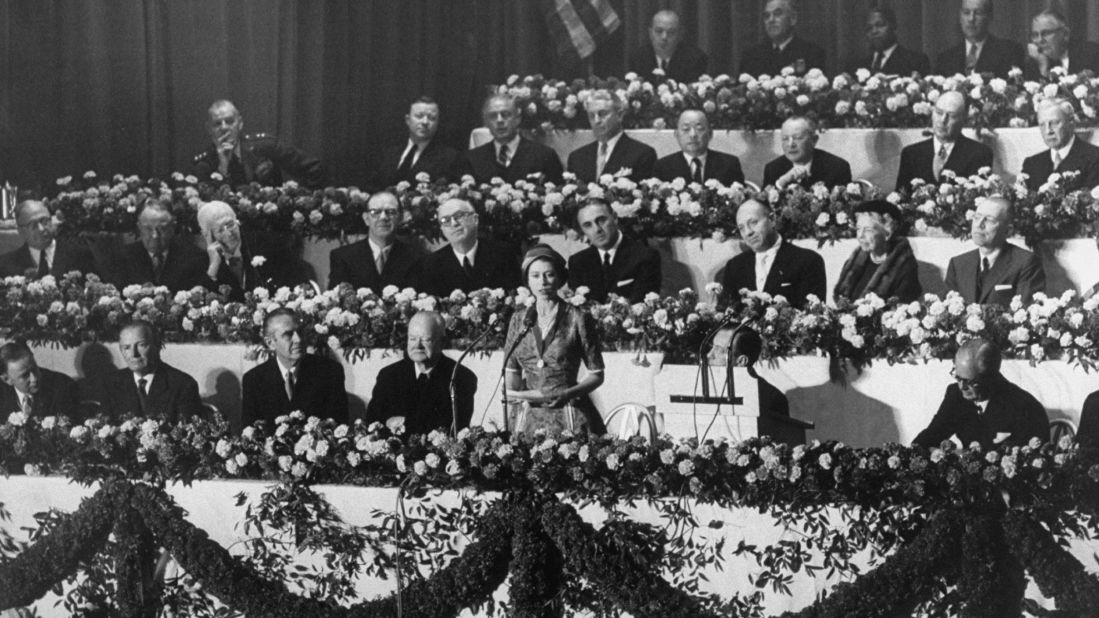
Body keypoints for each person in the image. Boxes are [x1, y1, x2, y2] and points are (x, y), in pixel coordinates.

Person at [504, 244, 605, 435]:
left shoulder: (578, 318)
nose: (542, 282)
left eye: (549, 274)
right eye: (535, 276)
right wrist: (514, 394)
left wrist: (568, 393)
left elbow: (597, 374)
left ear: (559, 278)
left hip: (570, 414)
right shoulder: (518, 319)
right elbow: (512, 370)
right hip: (527, 418)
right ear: (527, 281)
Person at [913, 338, 1049, 449]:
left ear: (991, 377)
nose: (962, 387)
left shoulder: (1024, 406)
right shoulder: (955, 395)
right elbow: (934, 433)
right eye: (958, 377)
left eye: (971, 382)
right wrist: (911, 452)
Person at [366, 311, 477, 435]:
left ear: (442, 342)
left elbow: (453, 427)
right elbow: (372, 420)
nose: (417, 345)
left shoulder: (461, 377)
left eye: (426, 340)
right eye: (412, 339)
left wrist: (404, 422)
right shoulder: (388, 375)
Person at [241, 308, 348, 429]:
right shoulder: (254, 380)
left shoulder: (330, 372)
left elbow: (339, 428)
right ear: (270, 343)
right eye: (288, 334)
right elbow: (250, 435)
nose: (298, 339)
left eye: (300, 332)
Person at [192, 99, 324, 188]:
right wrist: (223, 168)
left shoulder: (266, 147)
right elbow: (206, 209)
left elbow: (315, 168)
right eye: (217, 123)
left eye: (229, 121)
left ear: (240, 123)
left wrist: (300, 203)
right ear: (209, 129)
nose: (224, 127)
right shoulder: (203, 163)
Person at [720, 200, 825, 309]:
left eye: (753, 222)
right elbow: (724, 314)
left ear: (772, 219)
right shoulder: (734, 266)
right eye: (741, 228)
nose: (748, 232)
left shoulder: (808, 261)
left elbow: (814, 316)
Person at [197, 200, 306, 302]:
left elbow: (295, 276)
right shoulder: (204, 261)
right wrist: (213, 268)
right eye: (220, 230)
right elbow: (199, 300)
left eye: (230, 225)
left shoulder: (266, 244)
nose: (229, 233)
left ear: (237, 221)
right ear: (208, 236)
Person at [944, 196, 1044, 306]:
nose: (979, 225)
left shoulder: (1026, 263)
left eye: (990, 220)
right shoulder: (958, 264)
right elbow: (949, 314)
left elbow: (1025, 313)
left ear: (1008, 230)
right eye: (977, 218)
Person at [100, 320, 204, 423]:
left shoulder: (183, 384)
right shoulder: (111, 384)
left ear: (157, 345)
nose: (134, 354)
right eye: (126, 348)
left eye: (141, 345)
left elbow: (188, 434)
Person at [419, 198, 520, 296]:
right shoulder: (432, 265)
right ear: (442, 230)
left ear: (475, 219)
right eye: (446, 220)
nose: (454, 223)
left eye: (459, 216)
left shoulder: (503, 254)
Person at [567, 198, 661, 303]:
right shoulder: (577, 262)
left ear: (615, 218)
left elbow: (643, 307)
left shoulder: (645, 257)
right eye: (588, 225)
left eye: (601, 220)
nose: (597, 229)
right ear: (582, 230)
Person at [895, 91, 993, 192]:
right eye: (938, 112)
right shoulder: (911, 154)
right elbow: (900, 199)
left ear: (964, 119)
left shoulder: (980, 154)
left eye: (951, 116)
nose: (943, 120)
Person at [328, 191, 422, 292]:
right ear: (366, 218)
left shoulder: (416, 258)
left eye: (390, 212)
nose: (383, 217)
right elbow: (335, 302)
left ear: (400, 218)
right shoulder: (343, 257)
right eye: (375, 212)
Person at [462, 94, 563, 184]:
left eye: (505, 114)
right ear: (486, 123)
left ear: (517, 119)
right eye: (493, 116)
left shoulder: (544, 155)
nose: (499, 120)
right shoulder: (472, 159)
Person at [833, 200, 921, 303]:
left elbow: (899, 311)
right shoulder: (853, 262)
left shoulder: (905, 267)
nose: (860, 235)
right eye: (858, 229)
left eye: (868, 230)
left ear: (887, 233)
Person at [114, 197, 209, 292]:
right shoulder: (123, 259)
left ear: (173, 227)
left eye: (162, 229)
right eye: (148, 229)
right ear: (139, 227)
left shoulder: (193, 256)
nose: (155, 235)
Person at [368, 96, 459, 189]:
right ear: (408, 120)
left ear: (437, 123)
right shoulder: (388, 152)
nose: (425, 122)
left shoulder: (448, 157)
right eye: (419, 116)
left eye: (432, 118)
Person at [567, 90, 656, 183]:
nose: (596, 121)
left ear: (620, 115)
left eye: (602, 114)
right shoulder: (577, 157)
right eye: (591, 116)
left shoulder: (642, 154)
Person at [0, 199, 96, 279]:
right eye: (33, 225)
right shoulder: (6, 265)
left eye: (45, 221)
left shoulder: (79, 254)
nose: (41, 229)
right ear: (21, 231)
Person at [709, 326, 790, 418]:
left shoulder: (770, 398)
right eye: (712, 347)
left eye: (719, 350)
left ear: (741, 361)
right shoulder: (701, 388)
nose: (709, 355)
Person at [1021, 99, 1099, 192]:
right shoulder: (1032, 164)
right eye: (1042, 125)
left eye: (1054, 123)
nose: (1048, 131)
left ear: (1071, 123)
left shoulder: (1095, 158)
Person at [934, 0, 1025, 78]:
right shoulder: (945, 59)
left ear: (989, 16)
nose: (971, 19)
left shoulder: (1009, 52)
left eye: (978, 13)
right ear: (960, 17)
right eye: (966, 12)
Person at [653, 109, 744, 186]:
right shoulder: (663, 167)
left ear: (710, 134)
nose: (693, 135)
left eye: (699, 129)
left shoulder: (729, 164)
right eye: (686, 129)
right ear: (676, 135)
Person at [738, 0, 826, 77]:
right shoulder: (751, 56)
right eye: (767, 16)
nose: (771, 20)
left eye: (777, 14)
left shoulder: (812, 54)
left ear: (793, 19)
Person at [762, 116, 851, 190]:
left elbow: (845, 207)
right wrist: (781, 182)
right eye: (785, 139)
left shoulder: (837, 167)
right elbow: (763, 206)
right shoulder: (773, 169)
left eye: (798, 138)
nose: (790, 144)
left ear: (814, 140)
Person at [0, 342, 79, 420]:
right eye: (25, 375)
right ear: (6, 379)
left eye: (34, 368)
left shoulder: (64, 386)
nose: (34, 378)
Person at [628, 10, 709, 83]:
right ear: (650, 33)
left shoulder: (695, 59)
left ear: (680, 35)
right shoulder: (637, 58)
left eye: (671, 32)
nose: (664, 37)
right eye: (659, 31)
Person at [848, 7, 929, 76]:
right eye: (869, 28)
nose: (874, 31)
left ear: (893, 26)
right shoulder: (857, 65)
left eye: (880, 25)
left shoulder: (915, 62)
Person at [1025, 9, 1099, 80]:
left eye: (1046, 33)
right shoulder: (1033, 65)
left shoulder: (1092, 55)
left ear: (1065, 34)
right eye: (1035, 35)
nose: (1040, 40)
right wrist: (1043, 68)